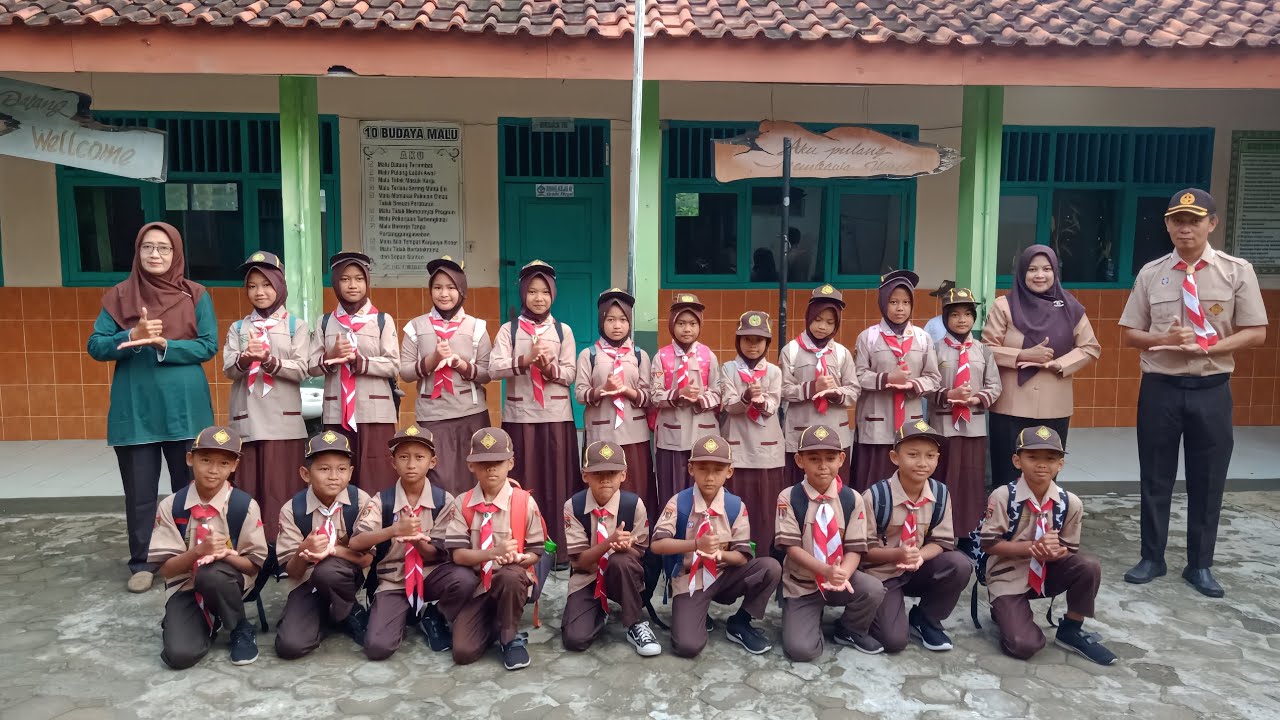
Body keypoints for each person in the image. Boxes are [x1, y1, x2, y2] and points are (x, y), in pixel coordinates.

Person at [1120, 188, 1268, 598]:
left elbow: (1257, 333)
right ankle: (1152, 557)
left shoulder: (1236, 272)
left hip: (1211, 388)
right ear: (1167, 224)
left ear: (1212, 224)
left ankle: (1200, 564)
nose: (1185, 227)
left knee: (1208, 479)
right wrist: (1159, 338)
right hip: (1160, 389)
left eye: (1195, 220)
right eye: (1177, 220)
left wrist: (1211, 347)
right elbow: (1130, 334)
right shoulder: (1152, 273)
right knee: (1155, 475)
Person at [88, 222, 217, 594]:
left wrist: (164, 345)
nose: (155, 254)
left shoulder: (195, 294)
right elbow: (96, 346)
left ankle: (188, 554)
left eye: (163, 248)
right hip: (136, 408)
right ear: (137, 252)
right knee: (140, 491)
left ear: (176, 254)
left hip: (184, 408)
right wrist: (130, 336)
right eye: (147, 247)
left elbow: (208, 346)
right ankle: (142, 561)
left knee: (190, 487)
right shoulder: (119, 296)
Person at [980, 426, 1116, 665]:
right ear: (1017, 460)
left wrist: (1054, 551)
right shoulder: (1003, 496)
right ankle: (1004, 611)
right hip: (1008, 575)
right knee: (1024, 645)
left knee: (1088, 566)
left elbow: (1069, 549)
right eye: (1032, 457)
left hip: (1047, 571)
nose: (1042, 465)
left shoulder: (1069, 502)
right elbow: (989, 544)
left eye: (1050, 459)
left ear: (1060, 464)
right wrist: (1032, 547)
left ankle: (1072, 629)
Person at [351, 425, 478, 660]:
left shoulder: (444, 500)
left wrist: (417, 541)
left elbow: (437, 554)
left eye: (419, 457)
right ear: (393, 462)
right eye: (403, 457)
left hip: (431, 576)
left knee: (464, 578)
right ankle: (404, 614)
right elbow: (356, 542)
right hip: (394, 580)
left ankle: (434, 615)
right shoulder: (382, 500)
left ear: (433, 462)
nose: (411, 464)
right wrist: (393, 530)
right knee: (378, 648)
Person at [650, 434, 781, 658]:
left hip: (725, 575)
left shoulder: (735, 506)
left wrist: (718, 553)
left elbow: (742, 557)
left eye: (718, 470)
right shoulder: (679, 503)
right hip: (690, 579)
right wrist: (695, 544)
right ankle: (698, 613)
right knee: (687, 646)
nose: (710, 477)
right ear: (691, 469)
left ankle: (740, 622)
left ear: (729, 472)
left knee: (770, 567)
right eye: (703, 469)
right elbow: (657, 545)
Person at [147, 426, 267, 669]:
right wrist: (198, 552)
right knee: (180, 656)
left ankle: (239, 627)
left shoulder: (243, 505)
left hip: (228, 582)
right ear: (190, 459)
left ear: (234, 466)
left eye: (224, 463)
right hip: (185, 586)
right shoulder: (172, 506)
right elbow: (167, 571)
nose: (213, 470)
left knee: (211, 574)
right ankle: (204, 621)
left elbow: (253, 567)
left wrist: (227, 555)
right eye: (205, 460)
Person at [982, 245, 1099, 488]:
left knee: (1046, 475)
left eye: (1047, 269)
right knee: (1006, 475)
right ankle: (1005, 522)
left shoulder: (1071, 308)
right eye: (1032, 269)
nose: (1040, 275)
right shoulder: (1004, 306)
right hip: (1010, 405)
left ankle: (1044, 524)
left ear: (1055, 272)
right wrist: (1023, 354)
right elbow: (986, 348)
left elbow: (1090, 347)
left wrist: (1060, 363)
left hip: (1054, 404)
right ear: (1021, 272)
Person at [490, 260, 579, 565]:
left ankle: (561, 551)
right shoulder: (508, 329)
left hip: (556, 416)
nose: (538, 298)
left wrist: (548, 368)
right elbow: (493, 369)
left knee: (558, 483)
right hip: (520, 417)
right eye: (532, 291)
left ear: (553, 294)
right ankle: (524, 547)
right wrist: (525, 360)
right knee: (523, 482)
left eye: (544, 292)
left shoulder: (562, 330)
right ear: (522, 293)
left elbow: (570, 374)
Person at [776, 425, 887, 660]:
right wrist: (825, 570)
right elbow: (792, 548)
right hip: (803, 584)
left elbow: (856, 548)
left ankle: (849, 629)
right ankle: (805, 617)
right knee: (801, 651)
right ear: (799, 460)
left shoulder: (852, 499)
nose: (823, 465)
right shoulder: (789, 497)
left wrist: (841, 575)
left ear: (841, 459)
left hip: (839, 581)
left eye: (830, 458)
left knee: (872, 589)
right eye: (814, 458)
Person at [223, 251, 309, 547]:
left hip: (283, 421)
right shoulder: (238, 328)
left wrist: (270, 361)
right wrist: (246, 359)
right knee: (249, 487)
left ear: (280, 285)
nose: (259, 292)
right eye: (252, 286)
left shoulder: (296, 326)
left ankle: (284, 547)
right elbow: (228, 369)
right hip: (247, 418)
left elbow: (302, 368)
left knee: (281, 487)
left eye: (266, 284)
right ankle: (252, 547)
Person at [442, 427, 547, 671]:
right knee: (463, 653)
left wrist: (521, 558)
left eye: (498, 462)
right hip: (478, 587)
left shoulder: (523, 501)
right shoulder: (463, 503)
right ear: (471, 466)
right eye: (483, 462)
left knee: (510, 575)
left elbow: (536, 552)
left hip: (510, 582)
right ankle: (493, 621)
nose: (491, 468)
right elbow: (458, 554)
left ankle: (510, 637)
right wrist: (492, 553)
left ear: (510, 463)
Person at [861, 421, 970, 654]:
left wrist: (919, 555)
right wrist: (897, 554)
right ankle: (876, 613)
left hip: (918, 568)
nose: (922, 463)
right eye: (913, 455)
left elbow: (941, 541)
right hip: (883, 574)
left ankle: (926, 619)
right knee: (893, 641)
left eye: (930, 455)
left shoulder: (940, 494)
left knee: (959, 564)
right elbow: (862, 549)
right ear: (894, 457)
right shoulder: (876, 496)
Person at [274, 431, 373, 659]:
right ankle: (333, 614)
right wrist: (303, 551)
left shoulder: (361, 502)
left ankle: (348, 609)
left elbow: (367, 559)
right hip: (307, 584)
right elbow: (292, 572)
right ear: (305, 474)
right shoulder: (292, 510)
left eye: (341, 469)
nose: (333, 476)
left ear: (350, 473)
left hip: (346, 578)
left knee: (328, 570)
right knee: (290, 646)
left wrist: (334, 550)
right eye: (324, 469)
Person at [399, 256, 492, 496]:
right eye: (438, 287)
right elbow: (405, 372)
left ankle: (473, 528)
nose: (444, 293)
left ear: (461, 290)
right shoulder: (415, 327)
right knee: (439, 477)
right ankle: (443, 530)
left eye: (451, 287)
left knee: (475, 474)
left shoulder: (477, 327)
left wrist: (460, 364)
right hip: (433, 415)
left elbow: (487, 373)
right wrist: (432, 361)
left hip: (471, 414)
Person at [310, 251, 400, 494]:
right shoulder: (325, 322)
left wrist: (361, 362)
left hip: (375, 413)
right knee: (337, 472)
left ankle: (377, 527)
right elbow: (310, 365)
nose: (352, 285)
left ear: (367, 282)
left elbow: (393, 364)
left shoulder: (382, 320)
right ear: (336, 282)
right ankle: (339, 525)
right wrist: (330, 355)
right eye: (345, 279)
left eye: (359, 279)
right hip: (337, 412)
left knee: (377, 474)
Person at [561, 440, 660, 656]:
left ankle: (635, 623)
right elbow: (579, 561)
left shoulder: (633, 505)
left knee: (621, 560)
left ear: (623, 475)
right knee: (575, 640)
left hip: (623, 578)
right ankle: (598, 611)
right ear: (585, 475)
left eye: (612, 473)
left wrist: (625, 547)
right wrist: (608, 543)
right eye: (597, 473)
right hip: (587, 578)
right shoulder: (573, 507)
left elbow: (642, 554)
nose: (605, 479)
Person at [854, 271, 941, 491]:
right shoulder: (869, 337)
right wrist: (886, 379)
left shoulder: (922, 338)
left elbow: (933, 378)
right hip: (876, 423)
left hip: (909, 422)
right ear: (883, 303)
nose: (900, 308)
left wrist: (913, 385)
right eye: (893, 302)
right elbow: (858, 375)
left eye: (905, 302)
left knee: (907, 480)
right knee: (873, 482)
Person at [574, 288, 655, 511]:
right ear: (602, 321)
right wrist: (603, 389)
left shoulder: (639, 355)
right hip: (602, 432)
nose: (617, 325)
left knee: (635, 485)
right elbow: (580, 394)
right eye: (610, 319)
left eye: (622, 319)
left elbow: (649, 397)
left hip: (633, 434)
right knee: (601, 485)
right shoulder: (589, 355)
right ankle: (601, 534)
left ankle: (636, 536)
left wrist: (627, 391)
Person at [930, 287, 1002, 535]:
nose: (962, 320)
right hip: (943, 425)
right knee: (945, 477)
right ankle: (942, 530)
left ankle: (970, 531)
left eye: (967, 314)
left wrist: (976, 399)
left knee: (972, 481)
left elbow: (995, 386)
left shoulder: (983, 350)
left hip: (974, 426)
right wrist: (948, 396)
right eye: (955, 315)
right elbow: (927, 385)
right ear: (945, 318)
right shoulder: (935, 349)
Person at [720, 311, 786, 554]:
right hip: (737, 446)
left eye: (759, 340)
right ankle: (736, 556)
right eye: (747, 339)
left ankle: (764, 559)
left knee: (765, 511)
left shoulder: (774, 372)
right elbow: (728, 404)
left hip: (767, 451)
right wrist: (746, 397)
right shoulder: (727, 368)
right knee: (737, 506)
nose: (753, 345)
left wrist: (760, 403)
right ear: (738, 340)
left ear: (767, 343)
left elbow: (774, 405)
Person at [780, 285, 859, 486]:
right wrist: (812, 388)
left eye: (830, 322)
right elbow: (782, 389)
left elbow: (854, 390)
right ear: (808, 317)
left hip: (834, 429)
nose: (823, 326)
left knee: (836, 487)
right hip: (801, 429)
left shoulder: (841, 353)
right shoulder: (791, 350)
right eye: (818, 319)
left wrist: (835, 392)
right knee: (800, 486)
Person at [651, 294, 721, 505]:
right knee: (671, 487)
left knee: (702, 485)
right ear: (672, 324)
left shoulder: (708, 355)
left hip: (702, 429)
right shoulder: (661, 356)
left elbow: (718, 391)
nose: (687, 329)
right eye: (681, 323)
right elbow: (654, 395)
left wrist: (701, 398)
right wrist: (677, 393)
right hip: (672, 435)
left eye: (692, 323)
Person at [923, 280, 956, 344]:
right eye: (942, 298)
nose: (944, 301)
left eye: (948, 298)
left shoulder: (964, 322)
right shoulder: (933, 323)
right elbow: (923, 345)